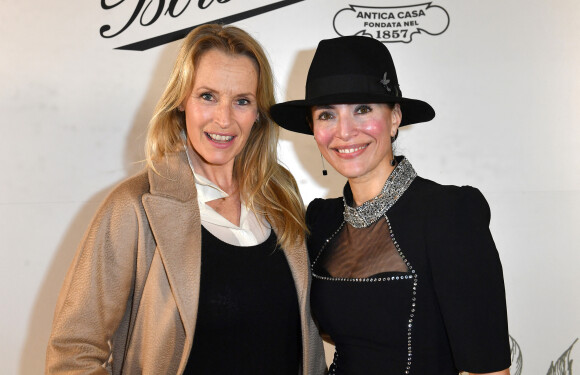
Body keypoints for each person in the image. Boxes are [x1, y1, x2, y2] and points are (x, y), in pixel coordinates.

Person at [46, 24, 325, 375]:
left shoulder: (280, 195)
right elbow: (74, 351)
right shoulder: (135, 206)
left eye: (242, 101)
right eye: (207, 96)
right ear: (181, 100)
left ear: (258, 113)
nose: (223, 119)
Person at [270, 36, 511, 375]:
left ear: (395, 117)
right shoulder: (320, 222)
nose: (345, 131)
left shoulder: (448, 215)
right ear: (313, 128)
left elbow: (489, 369)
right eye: (327, 115)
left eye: (363, 110)